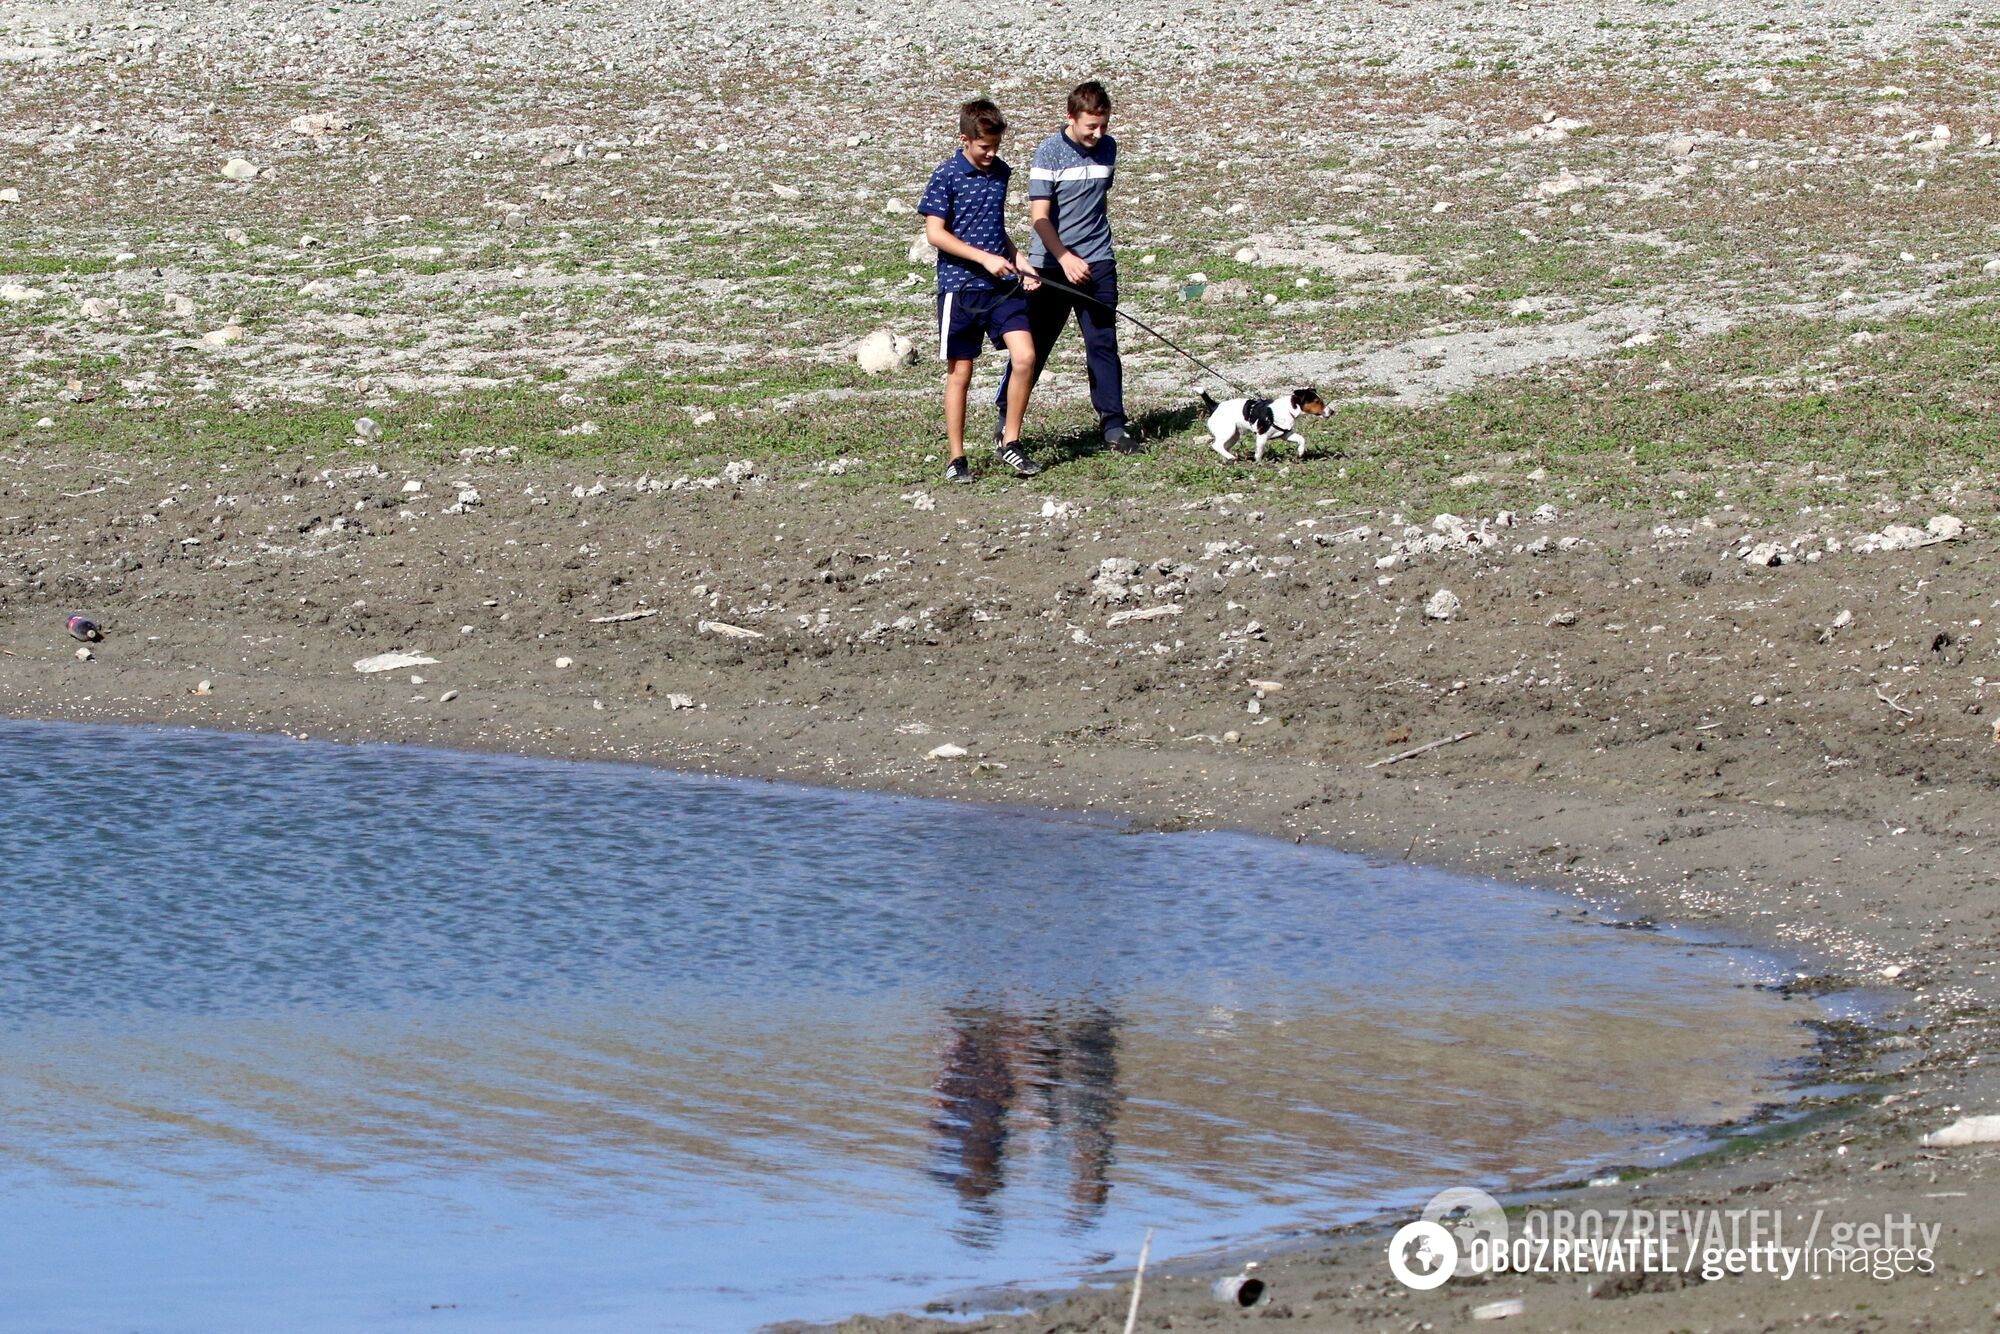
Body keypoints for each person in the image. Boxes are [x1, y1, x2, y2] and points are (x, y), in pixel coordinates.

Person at [994, 80, 1134, 453]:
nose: (1098, 134)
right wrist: (1065, 258)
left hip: (1098, 261)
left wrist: (1088, 256)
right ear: (1071, 117)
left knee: (1102, 342)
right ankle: (1005, 417)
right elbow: (1040, 219)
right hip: (1050, 267)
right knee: (1034, 344)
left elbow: (1097, 203)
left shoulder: (1109, 148)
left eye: (1103, 125)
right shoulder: (1049, 153)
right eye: (1091, 126)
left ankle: (1114, 425)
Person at [918, 97, 1043, 483]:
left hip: (1001, 288)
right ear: (965, 139)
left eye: (995, 147)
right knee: (962, 372)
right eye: (984, 147)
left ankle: (1011, 442)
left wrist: (1019, 259)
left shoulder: (1001, 173)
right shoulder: (946, 176)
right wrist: (983, 258)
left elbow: (994, 230)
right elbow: (935, 233)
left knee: (1026, 356)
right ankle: (957, 458)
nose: (991, 154)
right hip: (960, 289)